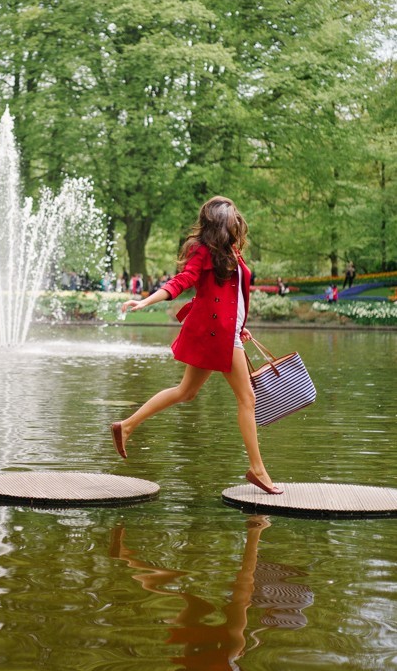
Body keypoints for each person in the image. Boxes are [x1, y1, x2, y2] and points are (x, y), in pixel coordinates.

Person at [110, 195, 282, 495]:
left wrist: (239, 325)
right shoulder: (203, 251)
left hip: (224, 331)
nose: (237, 221)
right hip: (217, 334)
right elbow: (181, 281)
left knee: (186, 392)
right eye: (232, 218)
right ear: (220, 222)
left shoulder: (229, 250)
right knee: (247, 400)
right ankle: (257, 469)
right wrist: (146, 301)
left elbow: (232, 297)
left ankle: (126, 425)